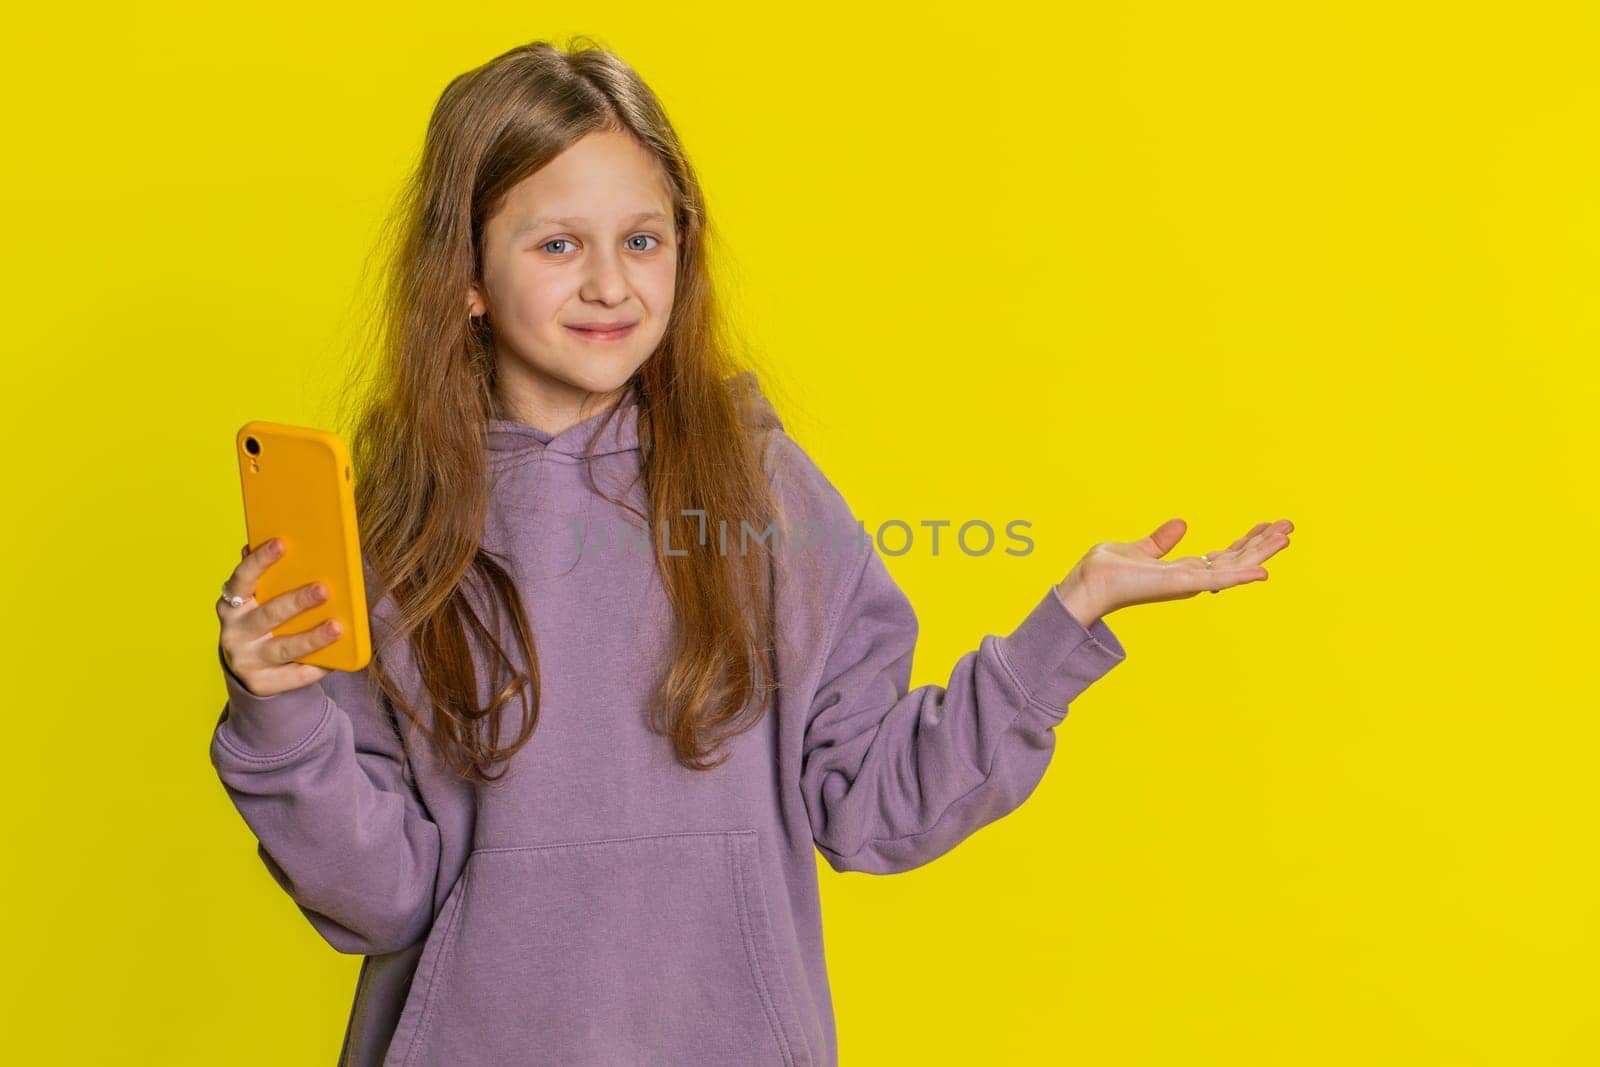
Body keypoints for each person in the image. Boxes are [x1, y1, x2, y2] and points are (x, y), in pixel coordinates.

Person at [208, 37, 1295, 1067]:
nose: (609, 283)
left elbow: (875, 801)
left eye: (642, 239)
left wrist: (1066, 622)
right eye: (555, 242)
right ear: (467, 277)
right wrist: (280, 709)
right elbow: (376, 897)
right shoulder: (393, 537)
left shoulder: (756, 489)